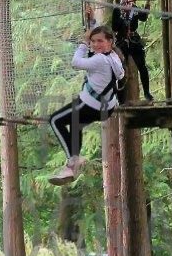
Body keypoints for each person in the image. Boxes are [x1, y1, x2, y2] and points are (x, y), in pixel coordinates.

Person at [48, 25, 125, 186]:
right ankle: (71, 166)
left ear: (110, 41)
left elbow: (75, 63)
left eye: (100, 41)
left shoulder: (99, 60)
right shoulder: (114, 57)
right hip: (107, 108)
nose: (95, 44)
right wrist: (92, 24)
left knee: (55, 120)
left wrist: (84, 43)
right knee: (76, 124)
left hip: (91, 106)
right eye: (93, 41)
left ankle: (72, 161)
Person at [111, 0, 153, 101]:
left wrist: (147, 6)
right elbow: (114, 27)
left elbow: (143, 17)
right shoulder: (117, 9)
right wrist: (124, 14)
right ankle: (120, 99)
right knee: (120, 69)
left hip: (134, 39)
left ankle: (147, 93)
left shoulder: (134, 8)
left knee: (142, 66)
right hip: (122, 40)